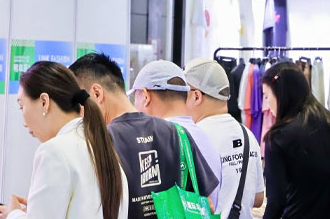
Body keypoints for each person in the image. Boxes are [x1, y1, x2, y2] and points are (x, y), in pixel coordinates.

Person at [69, 53, 220, 219]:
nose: (79, 113)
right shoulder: (177, 133)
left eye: (79, 104)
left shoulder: (98, 142)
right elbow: (208, 205)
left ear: (97, 93)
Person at [0, 61, 128, 219]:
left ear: (44, 102)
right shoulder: (103, 149)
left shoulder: (54, 151)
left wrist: (13, 214)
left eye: (22, 107)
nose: (24, 123)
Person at [261, 61, 330, 219]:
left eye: (266, 96)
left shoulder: (278, 138)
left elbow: (276, 202)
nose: (266, 103)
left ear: (280, 94)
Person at [132, 60, 223, 209]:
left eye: (135, 97)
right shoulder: (206, 137)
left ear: (146, 96)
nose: (134, 106)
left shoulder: (155, 139)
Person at [183, 58, 265, 219]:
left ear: (196, 96)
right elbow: (258, 198)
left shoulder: (192, 138)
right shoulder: (248, 135)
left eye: (182, 94)